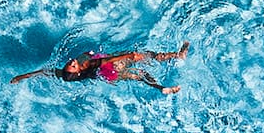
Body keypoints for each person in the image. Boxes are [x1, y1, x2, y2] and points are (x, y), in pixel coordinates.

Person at [10, 43, 190, 89]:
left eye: (69, 64)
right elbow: (105, 61)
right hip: (111, 65)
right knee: (147, 55)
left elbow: (44, 72)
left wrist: (22, 76)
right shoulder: (88, 63)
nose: (72, 62)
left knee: (139, 75)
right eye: (73, 66)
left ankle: (161, 88)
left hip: (109, 76)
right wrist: (130, 55)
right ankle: (178, 55)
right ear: (78, 70)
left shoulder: (66, 75)